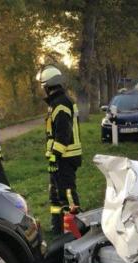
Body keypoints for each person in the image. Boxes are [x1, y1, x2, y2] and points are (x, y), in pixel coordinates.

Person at [36, 65, 82, 234]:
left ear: (47, 86)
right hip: (60, 158)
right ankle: (58, 229)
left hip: (65, 158)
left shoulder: (61, 104)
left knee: (67, 194)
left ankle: (75, 231)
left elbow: (63, 134)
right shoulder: (56, 103)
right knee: (55, 195)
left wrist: (55, 156)